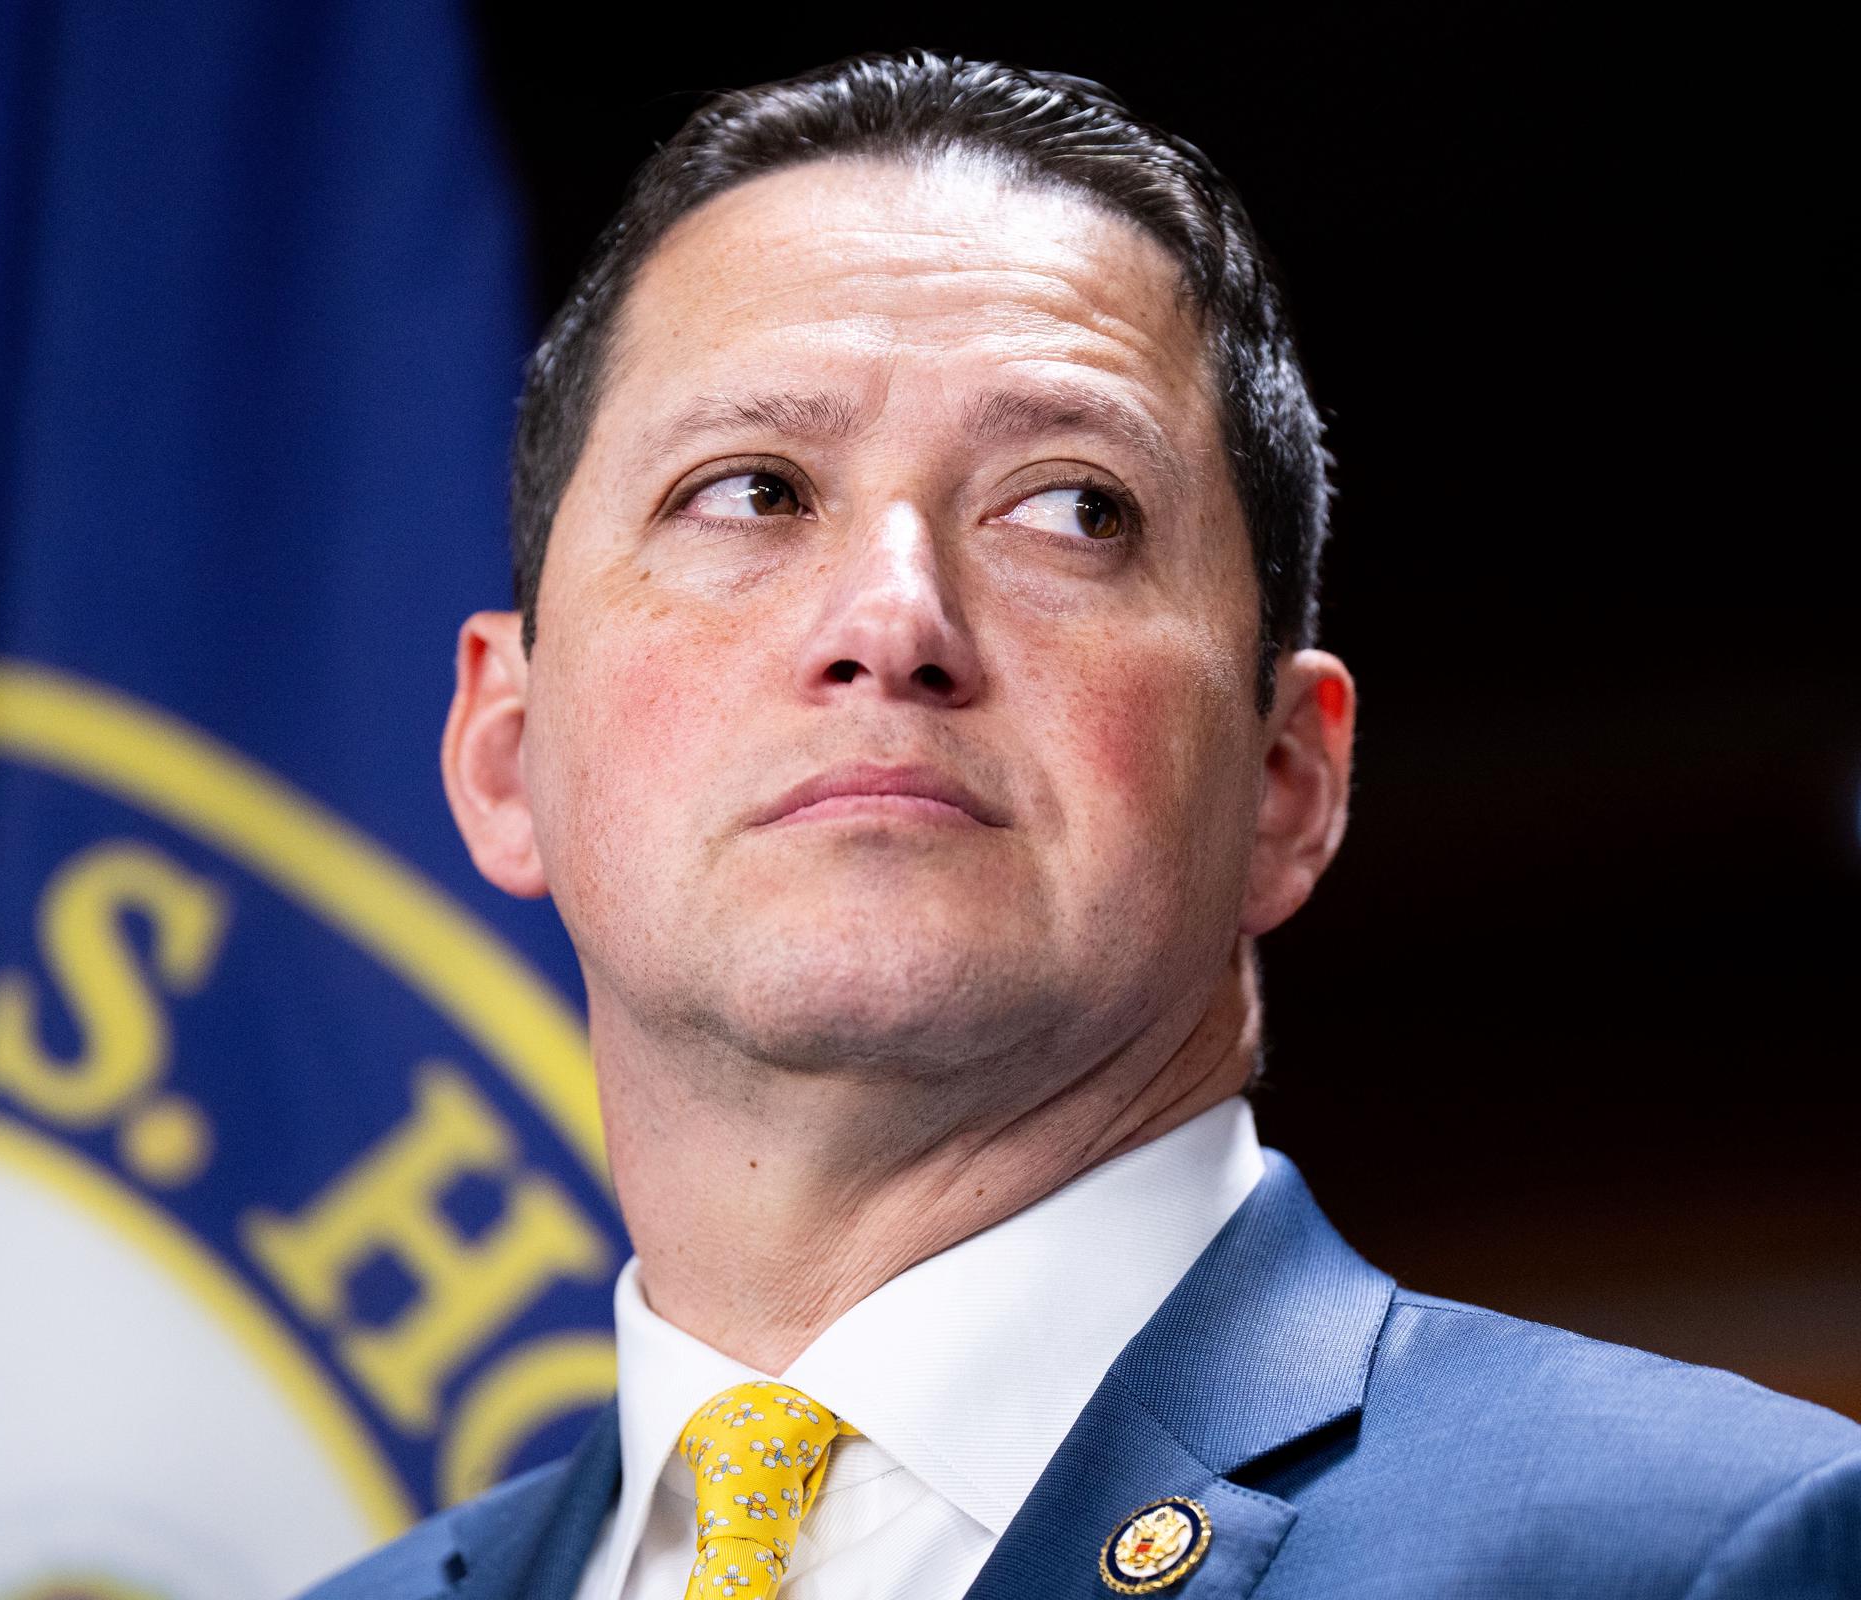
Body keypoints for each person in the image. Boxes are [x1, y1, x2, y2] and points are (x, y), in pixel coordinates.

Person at [302, 51, 1859, 1600]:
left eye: (1074, 508)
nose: (893, 618)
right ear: (506, 752)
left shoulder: (1700, 1555)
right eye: (754, 489)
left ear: (1285, 788)